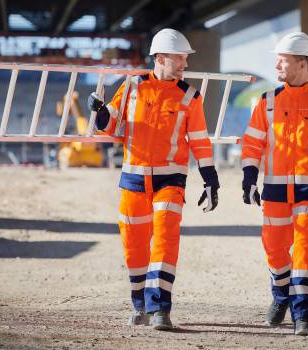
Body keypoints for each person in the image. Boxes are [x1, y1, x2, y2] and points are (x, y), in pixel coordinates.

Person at [87, 28, 219, 331]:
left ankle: (161, 307)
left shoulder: (189, 96)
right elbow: (110, 126)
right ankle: (140, 302)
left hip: (170, 180)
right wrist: (99, 111)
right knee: (134, 245)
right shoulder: (132, 86)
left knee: (165, 238)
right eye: (180, 58)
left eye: (186, 59)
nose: (185, 64)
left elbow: (199, 140)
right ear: (160, 58)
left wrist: (210, 178)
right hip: (133, 179)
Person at [241, 32, 308, 336]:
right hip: (274, 190)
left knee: (304, 252)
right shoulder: (268, 101)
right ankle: (281, 293)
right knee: (274, 249)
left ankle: (303, 316)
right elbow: (252, 144)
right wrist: (249, 177)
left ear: (302, 63)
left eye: (283, 59)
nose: (276, 64)